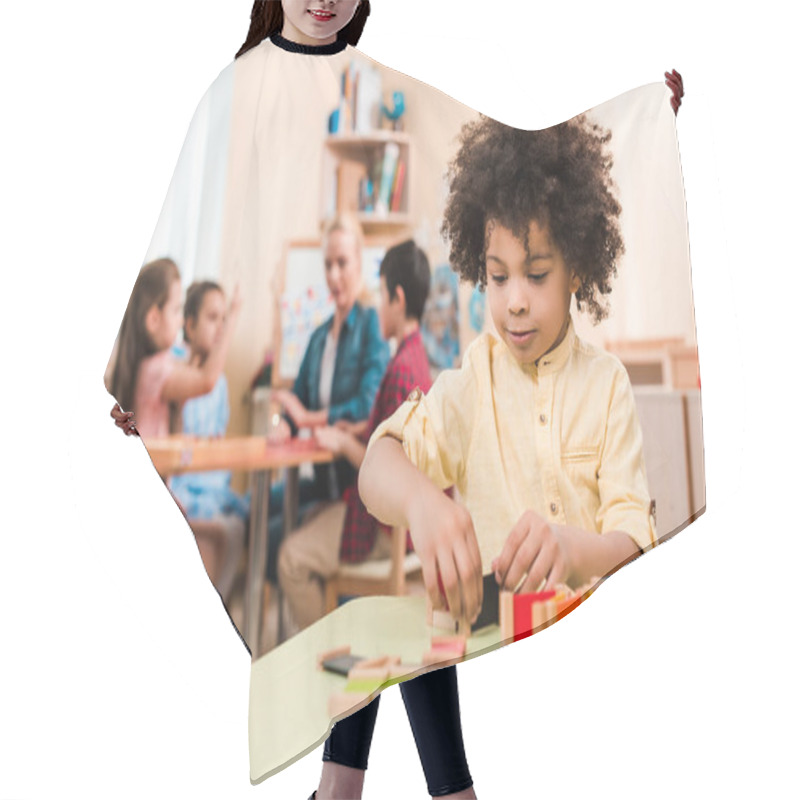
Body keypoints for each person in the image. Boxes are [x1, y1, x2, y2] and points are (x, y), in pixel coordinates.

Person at [360, 112, 657, 633]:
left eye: (537, 275)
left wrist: (572, 549)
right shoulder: (476, 382)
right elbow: (376, 466)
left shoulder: (607, 386)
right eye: (498, 277)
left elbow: (634, 548)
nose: (515, 301)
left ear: (577, 269)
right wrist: (421, 502)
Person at [265, 212, 390, 583]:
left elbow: (368, 406)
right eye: (328, 265)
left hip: (352, 489)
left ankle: (315, 618)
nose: (334, 275)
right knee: (254, 512)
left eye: (342, 263)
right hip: (323, 483)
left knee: (275, 541)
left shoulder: (372, 325)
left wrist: (308, 420)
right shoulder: (319, 338)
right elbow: (298, 398)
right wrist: (285, 426)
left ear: (360, 262)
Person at [168, 281, 249, 604]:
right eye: (212, 318)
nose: (220, 328)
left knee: (238, 525)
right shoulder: (174, 367)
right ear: (188, 324)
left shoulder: (221, 385)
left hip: (211, 486)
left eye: (224, 319)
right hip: (182, 487)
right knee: (225, 530)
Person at [107, 258, 240, 440]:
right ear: (154, 319)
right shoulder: (154, 370)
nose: (181, 321)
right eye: (176, 310)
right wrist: (232, 317)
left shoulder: (154, 364)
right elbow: (206, 381)